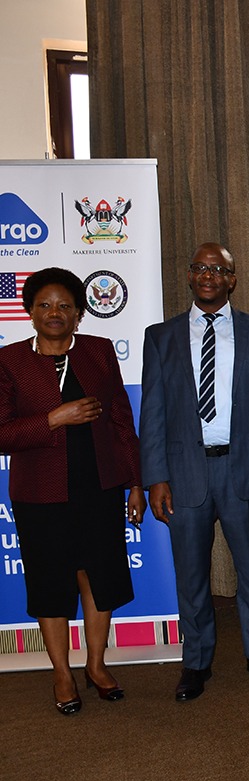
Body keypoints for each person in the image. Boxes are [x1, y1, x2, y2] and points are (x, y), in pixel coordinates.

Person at [141, 243, 249, 701]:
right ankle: (196, 662)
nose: (209, 275)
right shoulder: (160, 337)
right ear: (189, 277)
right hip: (184, 472)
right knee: (191, 576)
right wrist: (155, 477)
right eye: (201, 268)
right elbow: (153, 413)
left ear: (232, 279)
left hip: (244, 469)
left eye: (219, 269)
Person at [0, 267, 145, 715]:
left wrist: (135, 482)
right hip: (40, 493)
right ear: (29, 311)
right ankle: (62, 673)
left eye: (65, 305)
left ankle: (96, 665)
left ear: (80, 313)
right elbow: (2, 434)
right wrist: (53, 419)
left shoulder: (99, 352)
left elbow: (121, 419)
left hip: (99, 486)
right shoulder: (8, 361)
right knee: (50, 582)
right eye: (44, 305)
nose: (54, 313)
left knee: (97, 577)